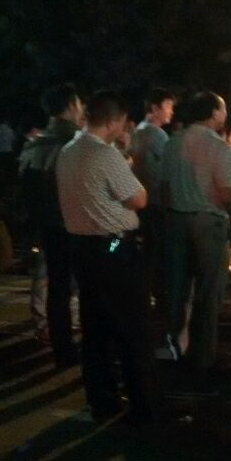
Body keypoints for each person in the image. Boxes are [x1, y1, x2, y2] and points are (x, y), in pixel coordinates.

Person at [57, 91, 158, 424]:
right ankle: (144, 405)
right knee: (133, 326)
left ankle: (102, 401)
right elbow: (139, 199)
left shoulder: (68, 151)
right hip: (112, 245)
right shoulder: (105, 154)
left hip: (81, 247)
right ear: (114, 121)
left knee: (95, 328)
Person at [161, 91, 231, 394]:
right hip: (208, 224)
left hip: (175, 222)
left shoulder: (172, 143)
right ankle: (203, 359)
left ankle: (174, 348)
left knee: (177, 290)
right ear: (214, 113)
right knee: (208, 294)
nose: (225, 115)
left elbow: (164, 188)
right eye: (223, 109)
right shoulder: (220, 148)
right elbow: (226, 193)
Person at [19, 83, 84, 367]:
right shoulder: (77, 143)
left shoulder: (34, 146)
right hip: (80, 226)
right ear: (71, 105)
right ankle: (92, 347)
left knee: (57, 288)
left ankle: (62, 347)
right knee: (87, 286)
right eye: (79, 103)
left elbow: (25, 190)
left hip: (48, 226)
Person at [129, 88, 175, 331]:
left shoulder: (137, 132)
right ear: (155, 108)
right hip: (156, 204)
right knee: (157, 254)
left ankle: (143, 297)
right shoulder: (156, 135)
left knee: (145, 251)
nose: (171, 111)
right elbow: (170, 171)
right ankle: (157, 303)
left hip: (139, 204)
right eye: (168, 106)